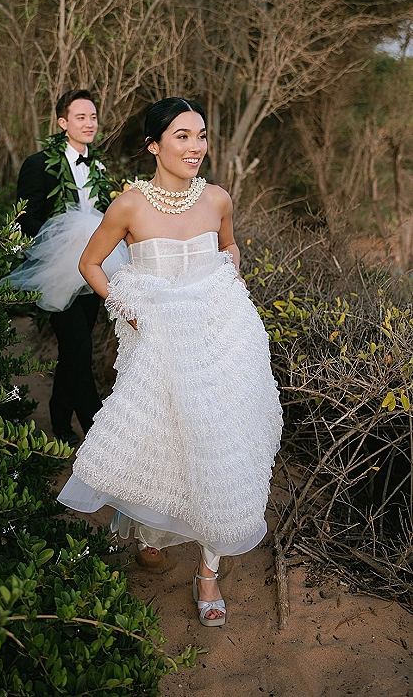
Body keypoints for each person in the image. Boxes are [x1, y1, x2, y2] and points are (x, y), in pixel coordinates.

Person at [58, 97, 282, 627]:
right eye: (182, 136)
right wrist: (126, 308)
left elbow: (229, 251)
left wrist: (232, 292)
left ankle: (208, 571)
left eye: (201, 135)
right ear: (153, 145)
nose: (196, 147)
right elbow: (90, 263)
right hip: (157, 342)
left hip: (222, 342)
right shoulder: (129, 205)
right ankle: (149, 529)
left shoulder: (219, 199)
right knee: (163, 439)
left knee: (220, 444)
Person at [12, 89, 121, 446]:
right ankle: (97, 433)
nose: (89, 123)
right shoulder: (39, 164)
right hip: (57, 272)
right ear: (63, 123)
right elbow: (26, 220)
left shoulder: (100, 168)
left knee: (76, 349)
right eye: (80, 118)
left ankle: (60, 421)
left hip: (94, 269)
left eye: (92, 117)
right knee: (78, 348)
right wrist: (63, 241)